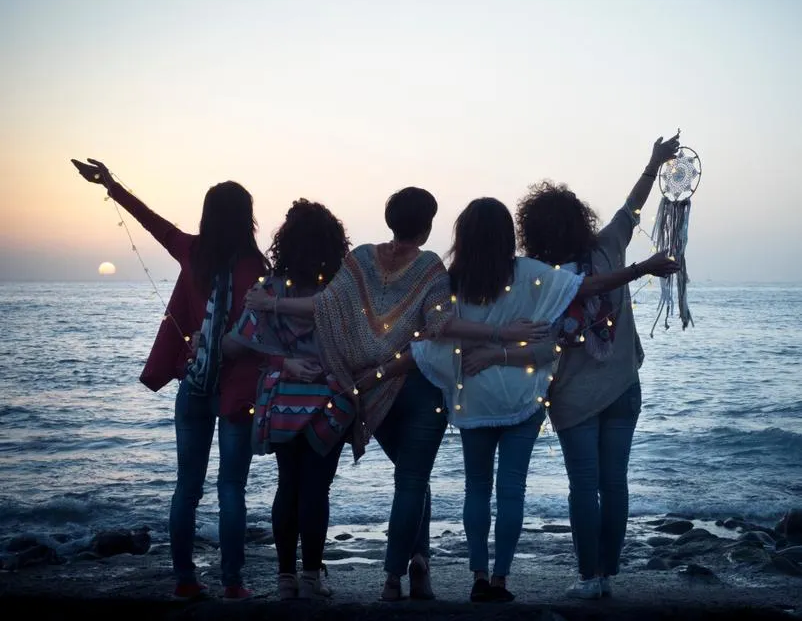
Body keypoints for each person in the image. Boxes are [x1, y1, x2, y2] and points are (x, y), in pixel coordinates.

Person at [244, 187, 549, 601]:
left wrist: (273, 305)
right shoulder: (430, 268)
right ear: (427, 226)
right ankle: (407, 569)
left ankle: (399, 577)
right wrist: (502, 333)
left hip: (374, 391)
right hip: (420, 389)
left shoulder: (360, 260)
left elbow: (323, 306)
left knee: (408, 480)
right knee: (412, 480)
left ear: (390, 219)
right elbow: (441, 326)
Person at [410, 197, 679, 602]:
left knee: (477, 488)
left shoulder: (453, 282)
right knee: (513, 489)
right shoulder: (530, 274)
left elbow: (435, 330)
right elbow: (587, 287)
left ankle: (480, 576)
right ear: (508, 235)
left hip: (476, 396)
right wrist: (642, 268)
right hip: (523, 397)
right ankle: (504, 580)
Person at [71, 158, 267, 600]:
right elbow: (265, 334)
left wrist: (111, 184)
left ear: (208, 215)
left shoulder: (192, 251)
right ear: (246, 217)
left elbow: (150, 221)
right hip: (238, 391)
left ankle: (184, 581)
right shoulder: (259, 267)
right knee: (232, 487)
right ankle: (233, 584)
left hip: (194, 386)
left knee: (187, 488)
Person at [224, 199, 351, 600]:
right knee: (317, 489)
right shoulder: (339, 292)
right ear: (333, 244)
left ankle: (285, 578)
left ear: (285, 242)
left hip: (280, 403)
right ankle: (312, 578)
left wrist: (201, 344)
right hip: (329, 404)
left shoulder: (267, 290)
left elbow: (234, 345)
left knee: (288, 485)